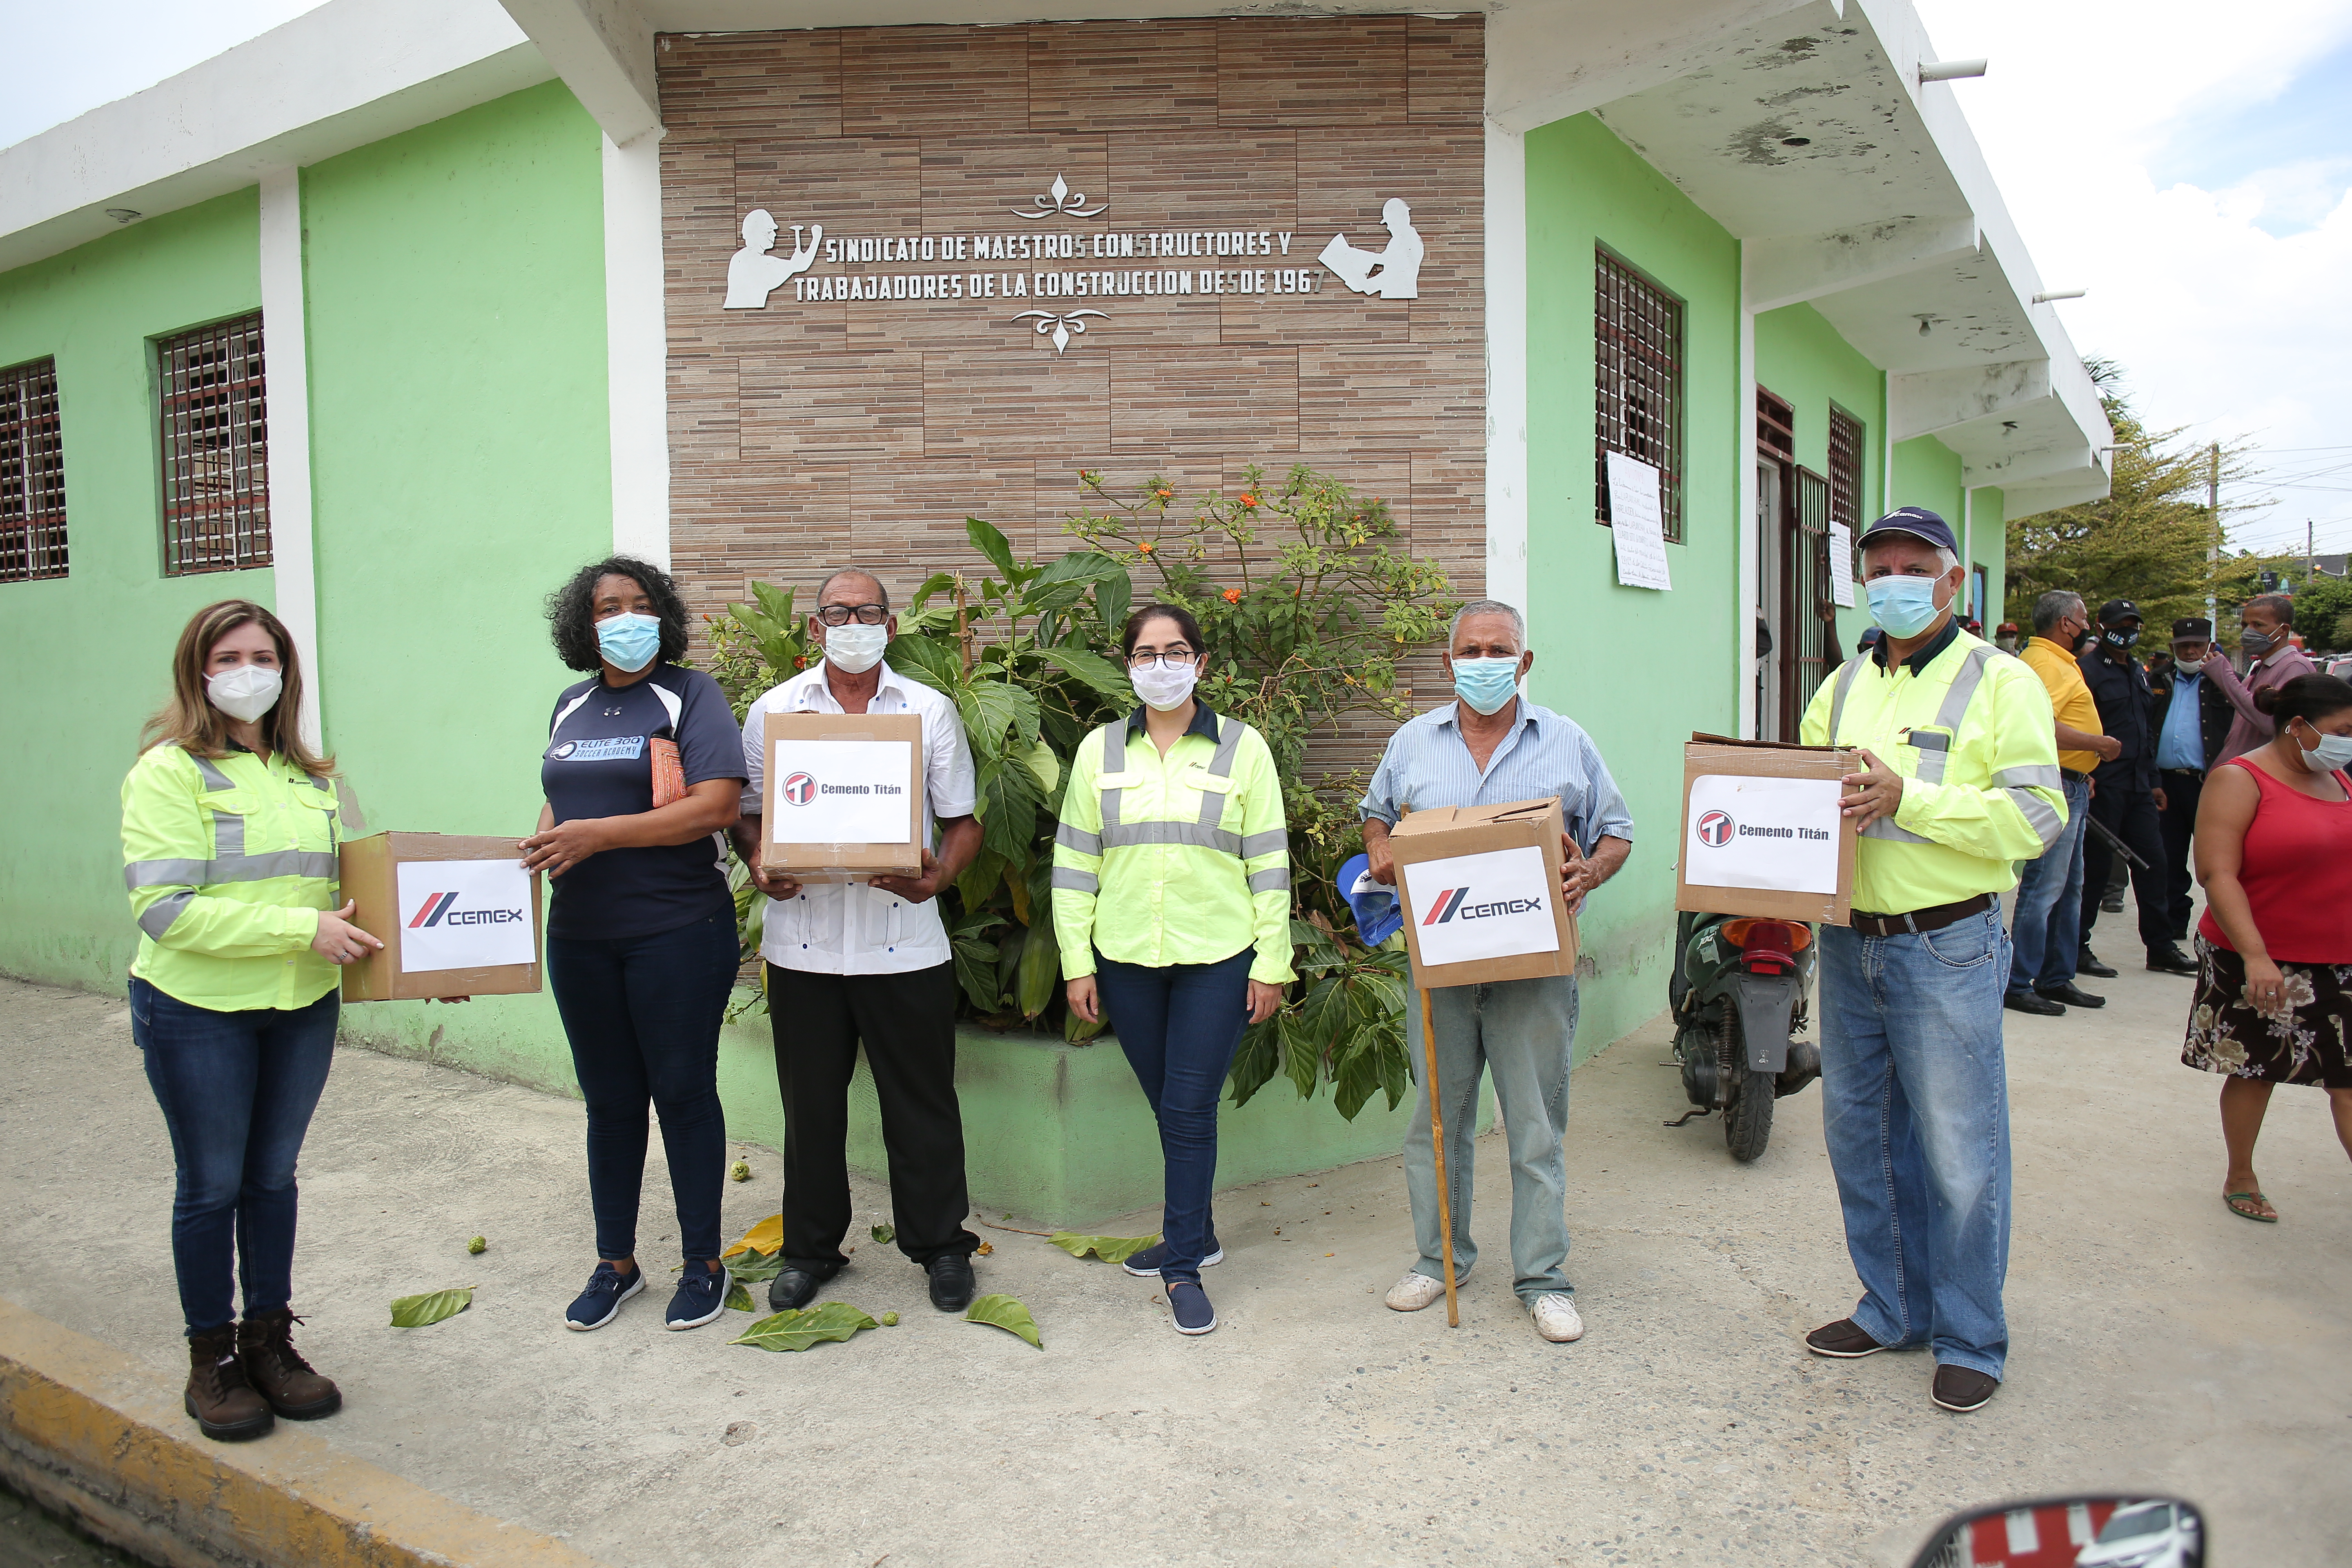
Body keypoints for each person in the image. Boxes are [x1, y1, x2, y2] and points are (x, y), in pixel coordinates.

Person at [1798, 508, 2065, 1414]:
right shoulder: (1838, 688)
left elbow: (2036, 817)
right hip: (1848, 942)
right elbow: (1798, 809)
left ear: (1954, 583)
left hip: (1946, 943)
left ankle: (1970, 1337)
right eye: (1880, 569)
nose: (1896, 581)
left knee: (1959, 1151)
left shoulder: (2004, 682)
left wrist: (1909, 799)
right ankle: (1892, 1308)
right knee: (1861, 1141)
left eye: (1916, 566)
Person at [122, 601, 386, 1440]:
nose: (247, 670)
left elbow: (348, 894)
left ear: (286, 670)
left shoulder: (311, 776)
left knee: (273, 1179)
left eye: (262, 655)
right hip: (198, 1012)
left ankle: (269, 1343)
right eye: (227, 657)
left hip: (299, 1007)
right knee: (212, 1186)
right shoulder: (168, 772)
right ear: (198, 673)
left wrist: (413, 967)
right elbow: (166, 912)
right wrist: (302, 930)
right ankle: (213, 1361)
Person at [1359, 599, 1633, 1346]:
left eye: (1499, 649)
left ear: (1525, 661)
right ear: (1448, 663)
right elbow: (1375, 814)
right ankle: (1437, 1258)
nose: (1485, 662)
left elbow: (1617, 831)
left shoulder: (1567, 742)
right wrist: (1381, 846)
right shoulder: (1413, 743)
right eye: (1471, 651)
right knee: (1437, 1122)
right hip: (1441, 968)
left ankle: (1544, 1279)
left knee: (1536, 1124)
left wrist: (1591, 874)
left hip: (1534, 972)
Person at [733, 568, 986, 1314]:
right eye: (837, 612)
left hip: (903, 943)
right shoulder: (774, 712)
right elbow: (748, 813)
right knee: (810, 1110)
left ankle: (942, 1246)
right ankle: (811, 1251)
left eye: (867, 611)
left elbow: (963, 821)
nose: (852, 623)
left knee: (923, 1105)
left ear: (891, 625)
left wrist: (937, 880)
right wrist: (757, 860)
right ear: (815, 628)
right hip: (803, 947)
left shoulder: (929, 710)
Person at [1053, 602, 1292, 1336]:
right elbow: (1073, 863)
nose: (1162, 665)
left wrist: (1272, 963)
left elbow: (1271, 863)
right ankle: (1203, 1232)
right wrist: (1075, 962)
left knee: (1188, 1112)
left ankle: (1183, 1263)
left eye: (1176, 651)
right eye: (1147, 654)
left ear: (1201, 663)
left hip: (1218, 959)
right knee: (1171, 1107)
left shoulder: (1244, 749)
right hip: (1126, 959)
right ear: (1128, 666)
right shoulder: (1099, 751)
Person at [528, 557, 747, 1333]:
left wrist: (598, 837)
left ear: (663, 615)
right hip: (581, 935)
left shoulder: (690, 694)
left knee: (683, 1093)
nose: (624, 617)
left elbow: (715, 806)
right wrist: (547, 841)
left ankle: (704, 1264)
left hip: (677, 930)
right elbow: (561, 805)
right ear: (583, 627)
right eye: (606, 607)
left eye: (638, 603)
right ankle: (615, 1263)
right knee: (610, 1101)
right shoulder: (569, 704)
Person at [2179, 674, 2352, 1222]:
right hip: (2259, 955)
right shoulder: (2241, 779)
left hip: (2341, 957)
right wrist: (2256, 955)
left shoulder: (2341, 779)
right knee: (2259, 1069)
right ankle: (2241, 1174)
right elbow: (2217, 872)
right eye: (2342, 730)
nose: (2349, 740)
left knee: (2348, 1082)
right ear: (2298, 727)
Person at [2005, 591, 2118, 1016]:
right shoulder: (2046, 664)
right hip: (2056, 783)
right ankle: (2018, 981)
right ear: (2067, 624)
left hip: (2073, 782)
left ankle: (2055, 976)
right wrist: (2099, 745)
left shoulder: (2058, 662)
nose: (2089, 627)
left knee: (2069, 887)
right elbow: (2038, 726)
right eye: (2084, 619)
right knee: (2045, 887)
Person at [2076, 600, 2198, 978]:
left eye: (2133, 625)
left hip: (2139, 785)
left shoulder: (2140, 671)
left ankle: (2160, 948)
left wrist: (2155, 782)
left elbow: (2145, 732)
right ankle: (2078, 947)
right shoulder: (2086, 671)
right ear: (2101, 626)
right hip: (2103, 784)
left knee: (2155, 865)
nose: (2126, 631)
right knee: (2095, 870)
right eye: (2119, 624)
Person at [2147, 618, 2235, 946]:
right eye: (2184, 645)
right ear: (2173, 647)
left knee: (2219, 859)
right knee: (2168, 859)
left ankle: (2225, 925)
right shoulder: (2156, 680)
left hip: (2212, 784)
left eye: (2197, 644)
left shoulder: (2226, 682)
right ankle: (2173, 925)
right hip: (2166, 785)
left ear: (2209, 645)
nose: (2191, 650)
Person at [2203, 593, 2319, 766]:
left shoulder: (2294, 667)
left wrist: (2223, 675)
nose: (2248, 632)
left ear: (2283, 630)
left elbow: (2270, 724)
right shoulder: (2261, 668)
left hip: (2258, 778)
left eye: (2258, 625)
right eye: (2245, 625)